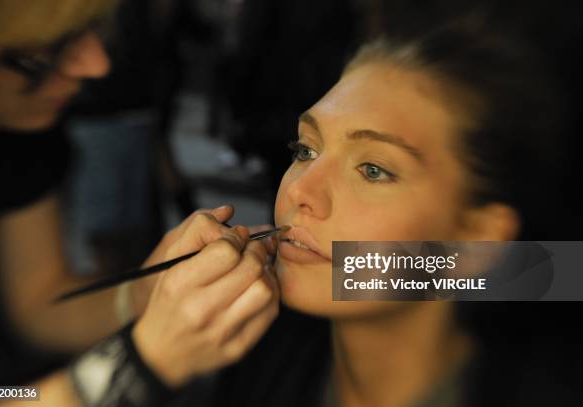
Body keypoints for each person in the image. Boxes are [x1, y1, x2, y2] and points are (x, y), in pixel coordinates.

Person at [163, 11, 582, 407]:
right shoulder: (255, 361)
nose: (301, 192)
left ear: (479, 239)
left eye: (373, 170)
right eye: (306, 149)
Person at [0, 0, 279, 405]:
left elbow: (37, 306)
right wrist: (138, 366)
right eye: (44, 51)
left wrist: (143, 292)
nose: (97, 65)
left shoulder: (16, 131)